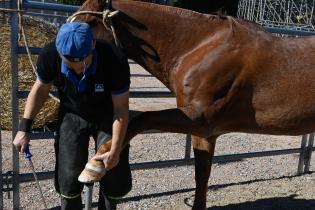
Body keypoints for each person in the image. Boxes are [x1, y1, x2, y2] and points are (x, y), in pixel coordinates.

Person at [13, 22, 132, 210]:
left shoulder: (114, 58)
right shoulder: (50, 55)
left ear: (93, 45)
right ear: (60, 53)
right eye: (71, 65)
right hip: (72, 112)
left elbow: (121, 109)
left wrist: (116, 150)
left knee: (113, 169)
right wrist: (24, 128)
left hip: (108, 114)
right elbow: (40, 91)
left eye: (83, 64)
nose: (78, 70)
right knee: (68, 173)